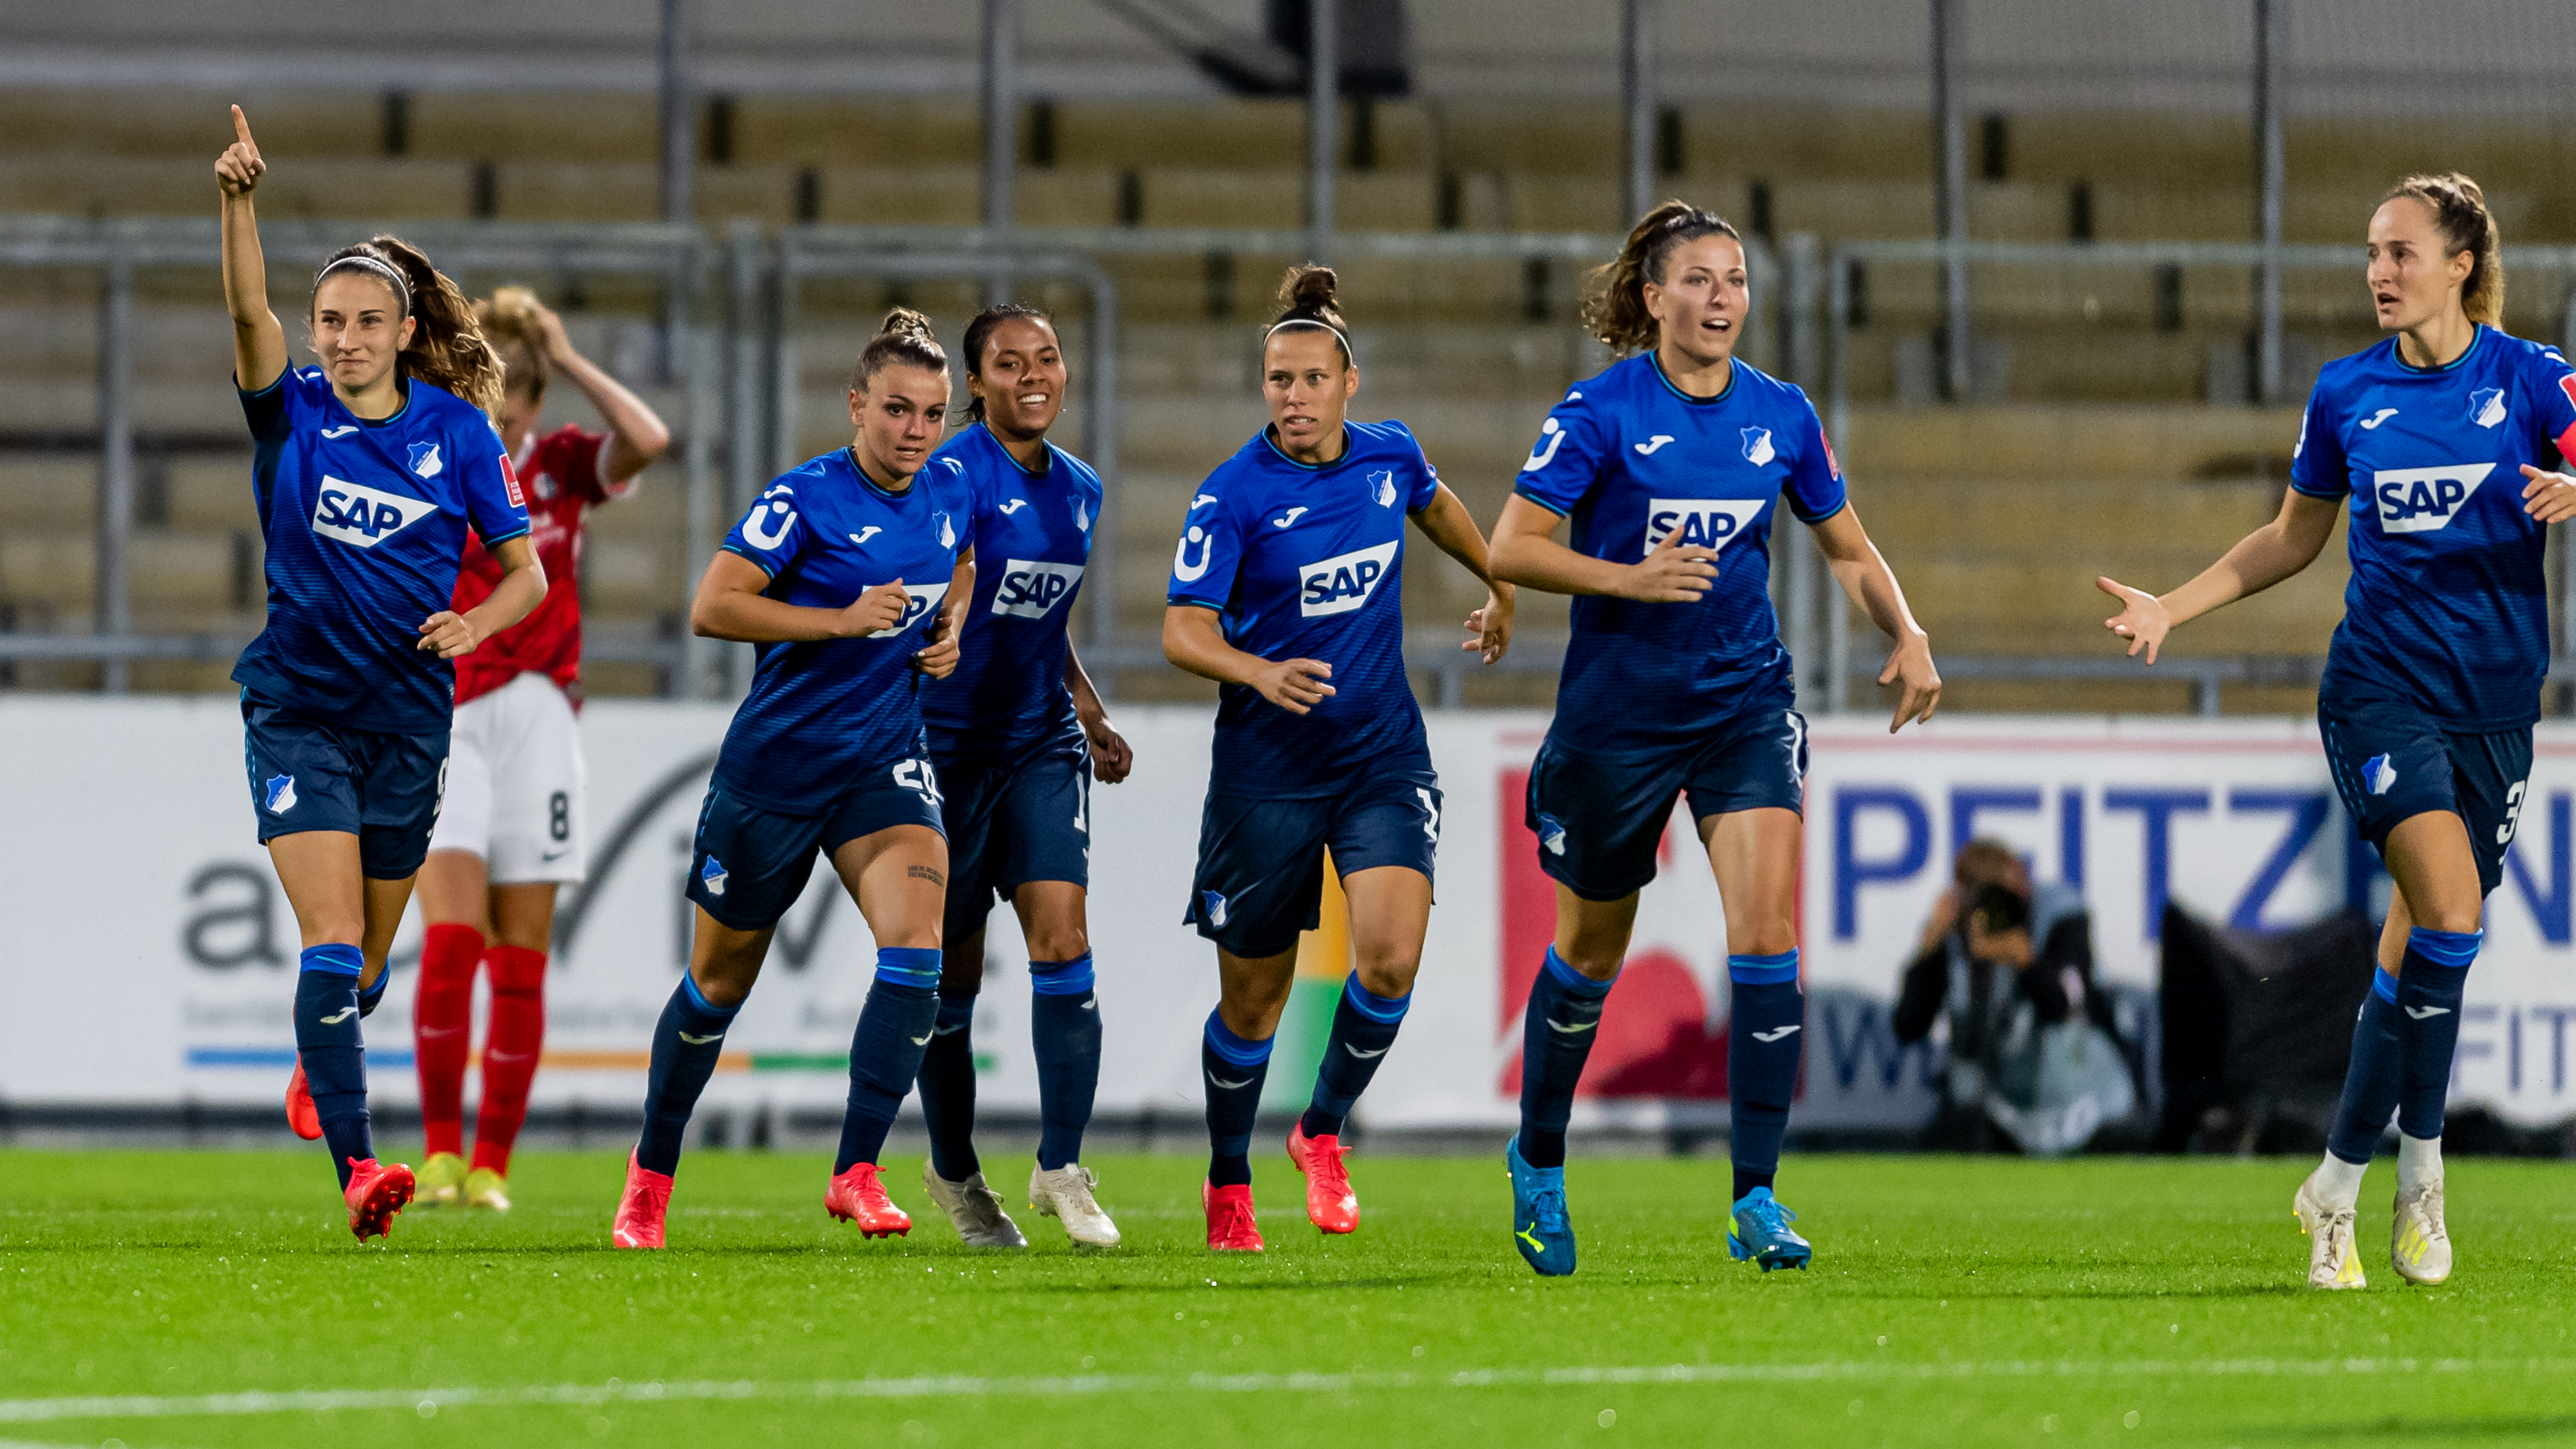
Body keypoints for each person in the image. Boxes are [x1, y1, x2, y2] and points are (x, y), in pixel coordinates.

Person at [2099, 173, 2576, 1291]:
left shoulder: (2530, 378)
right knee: (2449, 913)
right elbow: (2289, 538)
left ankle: (2333, 1185)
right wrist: (2174, 603)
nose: (2378, 271)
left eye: (2401, 252)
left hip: (2497, 709)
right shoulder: (2345, 393)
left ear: (2461, 263)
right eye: (2371, 251)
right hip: (2377, 692)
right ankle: (2423, 1179)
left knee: (2415, 953)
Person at [1490, 201, 1941, 1278]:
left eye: (1734, 279)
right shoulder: (1597, 413)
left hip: (1742, 702)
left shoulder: (1780, 413)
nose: (1720, 297)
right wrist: (1626, 578)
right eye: (1697, 279)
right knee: (1591, 949)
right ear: (1652, 297)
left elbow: (1846, 543)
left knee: (1766, 936)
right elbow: (1511, 545)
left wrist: (1907, 628)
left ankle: (1754, 1194)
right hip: (1617, 718)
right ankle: (1539, 1155)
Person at [216, 106, 544, 1239]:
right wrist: (239, 202)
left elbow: (527, 577)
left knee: (361, 977)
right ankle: (363, 1169)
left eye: (365, 320)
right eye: (328, 321)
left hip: (409, 723)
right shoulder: (292, 411)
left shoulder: (457, 433)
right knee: (333, 943)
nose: (341, 337)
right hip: (299, 710)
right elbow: (245, 316)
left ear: (405, 330)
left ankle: (329, 1042)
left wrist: (473, 621)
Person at [1163, 265, 1513, 1252]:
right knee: (1255, 1000)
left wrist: (1498, 579)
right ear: (1264, 387)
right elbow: (1182, 629)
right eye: (1279, 380)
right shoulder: (1230, 495)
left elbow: (1436, 505)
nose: (1296, 397)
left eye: (1313, 378)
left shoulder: (1388, 456)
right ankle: (1229, 1176)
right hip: (1266, 772)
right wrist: (1258, 671)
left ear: (1347, 382)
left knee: (1392, 959)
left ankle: (1320, 1131)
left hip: (1379, 756)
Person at [610, 309, 974, 1251]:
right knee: (715, 987)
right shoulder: (803, 498)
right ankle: (649, 1176)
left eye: (933, 413)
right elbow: (712, 605)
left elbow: (963, 564)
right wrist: (841, 619)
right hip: (775, 767)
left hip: (882, 762)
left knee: (918, 948)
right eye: (897, 409)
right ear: (857, 405)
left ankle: (856, 1169)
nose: (914, 430)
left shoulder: (951, 492)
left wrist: (950, 630)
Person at [409, 287, 670, 1213]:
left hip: (543, 718)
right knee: (450, 937)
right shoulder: (433, 458)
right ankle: (440, 1152)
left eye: (522, 383)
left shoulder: (560, 466)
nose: (504, 400)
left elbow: (650, 439)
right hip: (450, 710)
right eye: (492, 379)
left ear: (538, 391)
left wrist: (570, 350)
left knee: (520, 951)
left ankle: (491, 1169)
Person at [912, 304, 1131, 1250]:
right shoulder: (953, 470)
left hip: (1040, 739)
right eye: (1009, 363)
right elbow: (951, 571)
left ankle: (1062, 1166)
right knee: (949, 974)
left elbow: (1043, 613)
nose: (1032, 375)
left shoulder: (1080, 487)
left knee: (1063, 937)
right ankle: (957, 1172)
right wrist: (947, 621)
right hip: (944, 747)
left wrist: (1086, 705)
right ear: (977, 382)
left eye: (1046, 358)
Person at [1892, 841, 2115, 1150]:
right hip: (1985, 1105)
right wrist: (1930, 949)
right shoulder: (1955, 935)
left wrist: (2025, 960)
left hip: (2067, 1098)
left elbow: (2066, 1008)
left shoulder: (2058, 920)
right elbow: (1908, 1026)